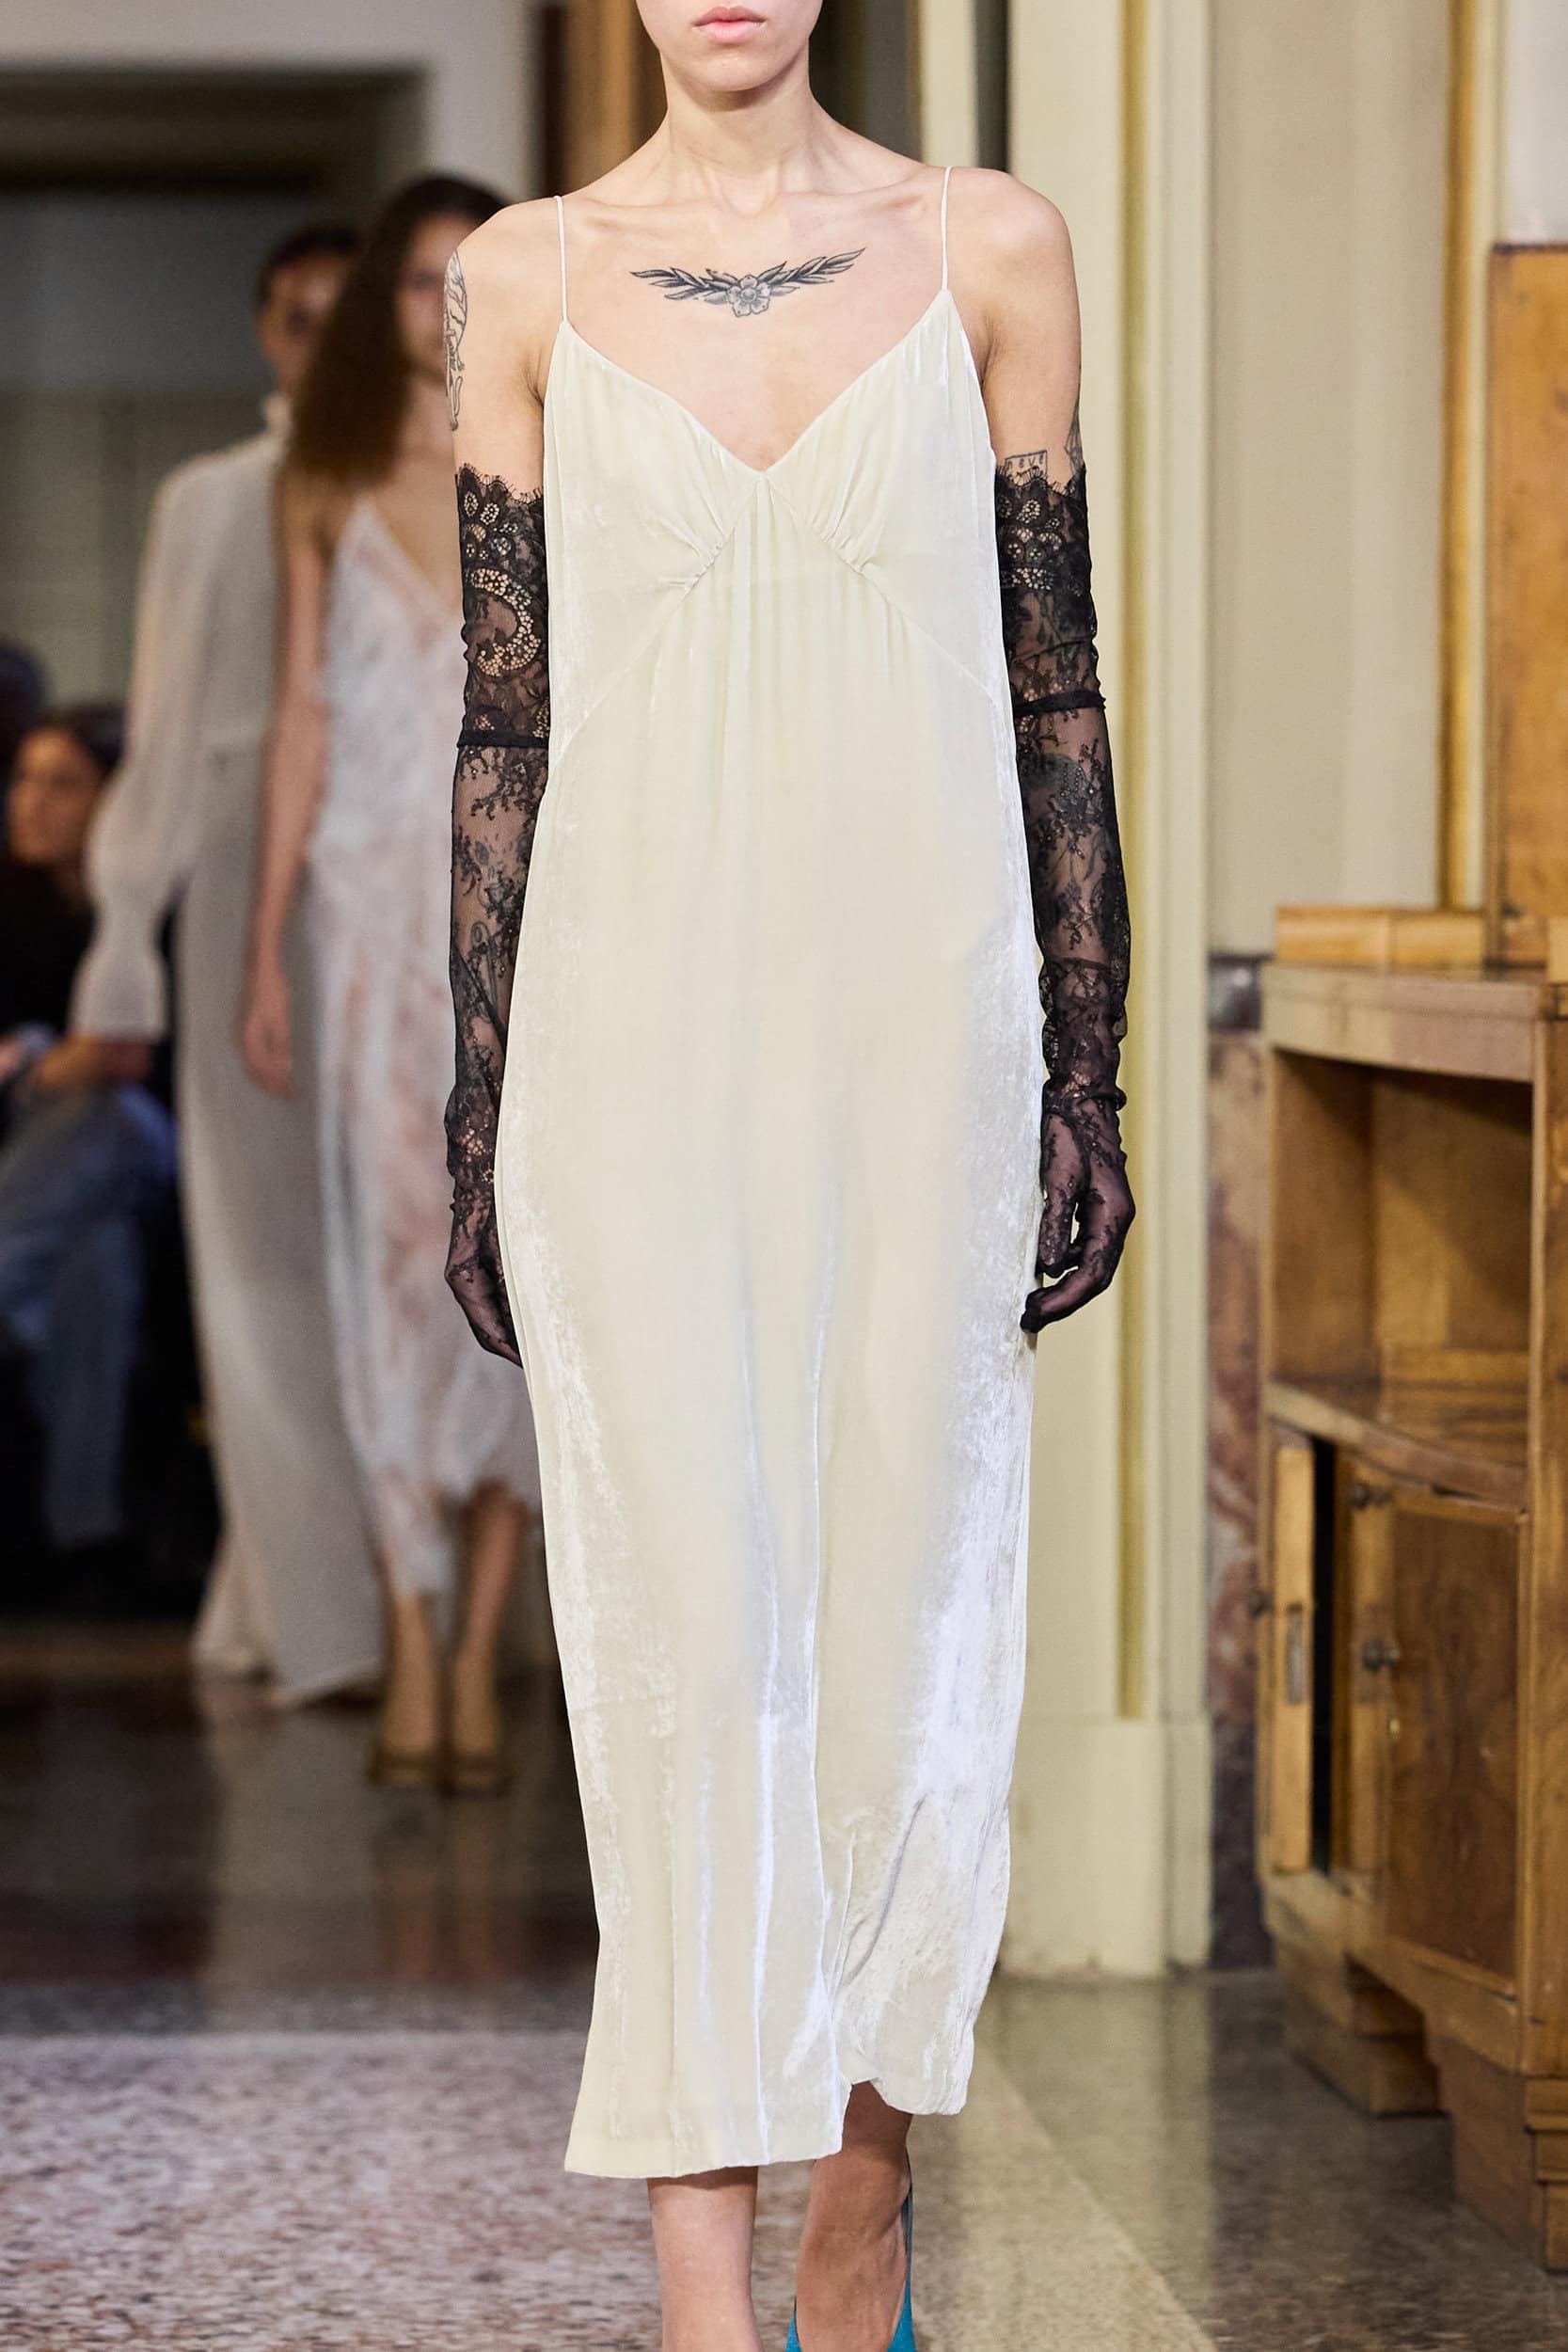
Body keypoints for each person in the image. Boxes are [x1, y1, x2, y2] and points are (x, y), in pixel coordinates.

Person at [442, 2, 1135, 2344]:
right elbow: (507, 721)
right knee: (675, 1638)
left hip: (919, 1034)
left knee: (901, 1638)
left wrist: (1086, 1069)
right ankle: (698, 2289)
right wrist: (474, 1105)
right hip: (623, 1041)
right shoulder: (522, 275)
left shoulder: (989, 247)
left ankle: (862, 2194)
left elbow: (1053, 682)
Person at [241, 177, 541, 1792]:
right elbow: (301, 717)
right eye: (420, 278)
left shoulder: (551, 462)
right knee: (383, 1261)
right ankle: (408, 1628)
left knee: (508, 1253)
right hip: (363, 915)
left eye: (468, 274)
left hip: (521, 916)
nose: (444, 304)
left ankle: (479, 1642)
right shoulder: (327, 472)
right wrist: (260, 952)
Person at [66, 219, 382, 1704]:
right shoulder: (208, 498)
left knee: (395, 1243)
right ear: (265, 333)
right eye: (297, 318)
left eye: (345, 314)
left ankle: (409, 1596)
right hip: (242, 873)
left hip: (395, 874)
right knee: (257, 1254)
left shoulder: (428, 479)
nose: (320, 343)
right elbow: (170, 716)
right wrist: (124, 934)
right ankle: (307, 1604)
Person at [0, 705, 177, 1559]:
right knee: (94, 1260)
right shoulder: (12, 906)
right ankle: (82, 1535)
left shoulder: (149, 910)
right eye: (25, 779)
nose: (32, 802)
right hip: (45, 1166)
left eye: (63, 784)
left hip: (152, 1154)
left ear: (114, 800)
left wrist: (36, 1062)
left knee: (107, 1114)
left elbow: (124, 1056)